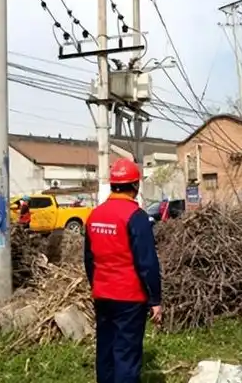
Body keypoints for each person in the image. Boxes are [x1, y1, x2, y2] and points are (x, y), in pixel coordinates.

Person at [84, 158, 162, 383]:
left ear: (112, 185)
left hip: (102, 294)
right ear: (135, 186)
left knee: (106, 350)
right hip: (129, 297)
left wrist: (96, 285)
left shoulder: (94, 215)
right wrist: (155, 299)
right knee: (126, 354)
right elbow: (147, 262)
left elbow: (89, 259)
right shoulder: (135, 217)